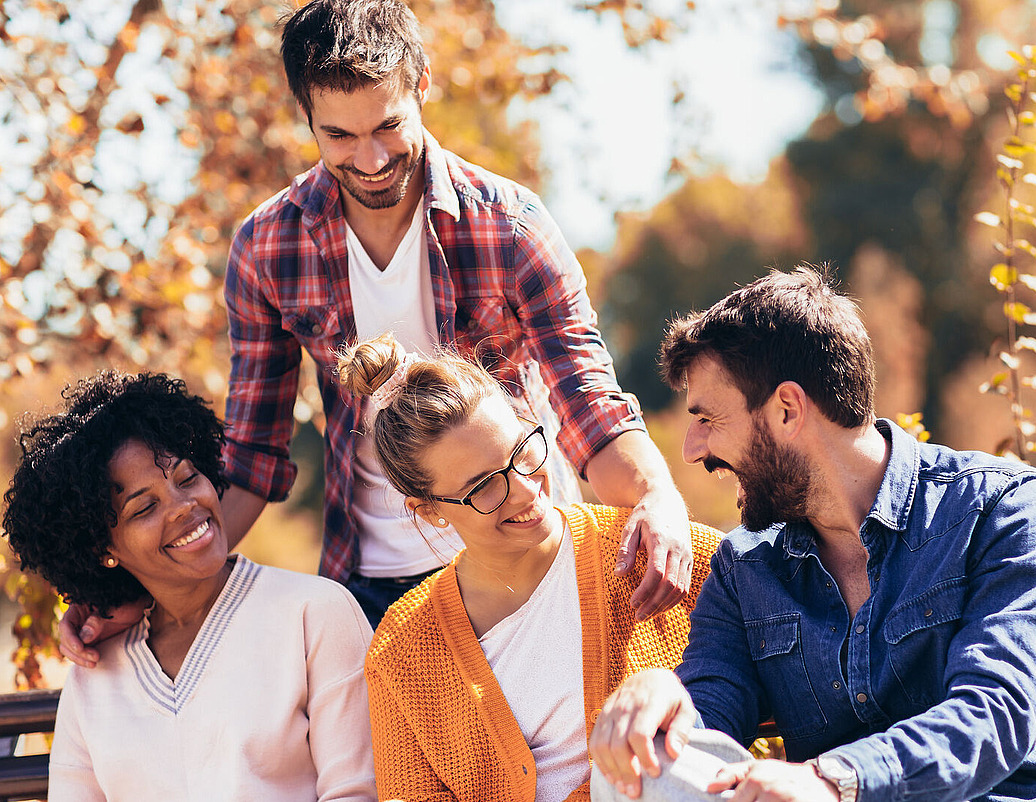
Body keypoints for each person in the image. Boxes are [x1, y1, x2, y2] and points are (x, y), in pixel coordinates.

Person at [58, 0, 691, 660]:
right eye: (340, 137)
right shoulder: (270, 246)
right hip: (377, 587)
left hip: (526, 552)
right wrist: (148, 588)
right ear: (307, 119)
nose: (370, 158)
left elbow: (589, 408)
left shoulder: (510, 224)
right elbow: (252, 460)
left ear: (422, 84)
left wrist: (658, 501)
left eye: (388, 126)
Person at [588, 266, 1036, 801]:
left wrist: (832, 780)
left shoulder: (1003, 510)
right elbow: (710, 711)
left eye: (708, 418)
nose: (691, 450)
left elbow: (995, 714)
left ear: (787, 410)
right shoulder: (746, 569)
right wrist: (665, 702)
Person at [333, 333, 721, 801]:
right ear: (429, 510)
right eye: (484, 486)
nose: (522, 489)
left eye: (522, 452)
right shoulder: (401, 652)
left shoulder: (650, 550)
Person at [3, 372, 375, 801]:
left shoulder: (314, 614)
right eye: (144, 508)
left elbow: (356, 792)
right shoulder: (95, 672)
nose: (185, 508)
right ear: (103, 548)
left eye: (187, 478)